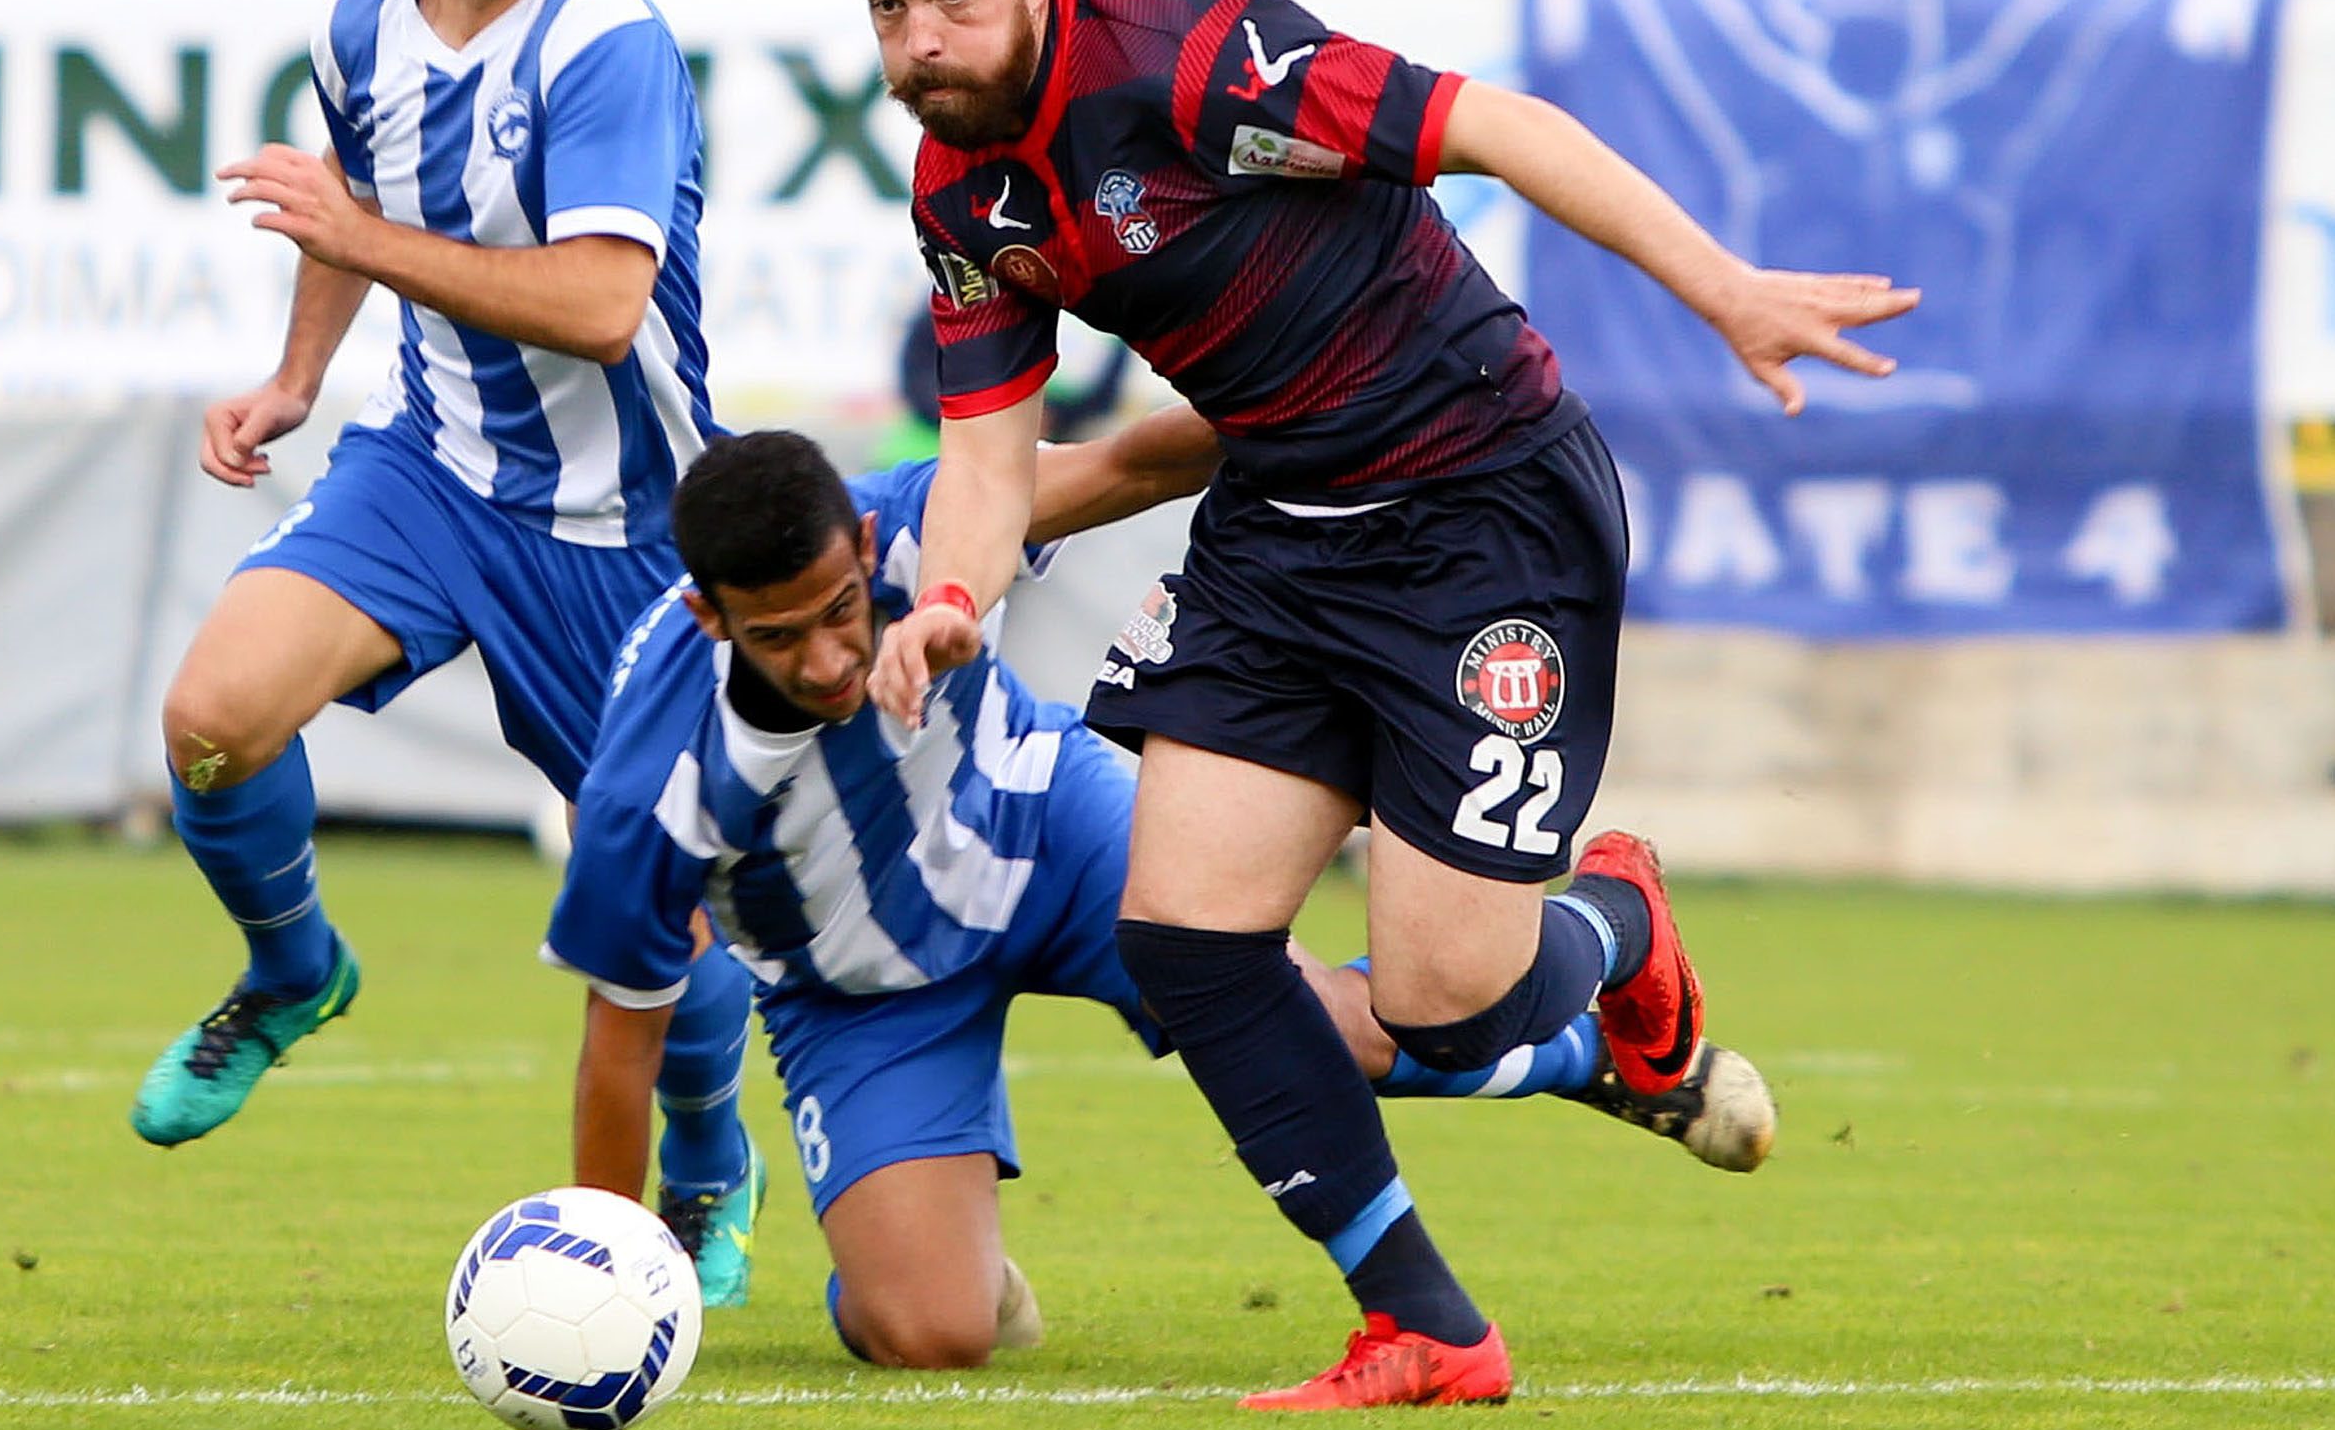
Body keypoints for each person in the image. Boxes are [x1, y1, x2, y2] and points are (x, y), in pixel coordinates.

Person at [842, 0, 1917, 1407]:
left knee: (1444, 1004)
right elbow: (991, 463)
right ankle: (1424, 1325)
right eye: (886, 6)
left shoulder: (1191, 59)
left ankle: (1616, 928)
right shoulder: (960, 196)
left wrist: (1728, 292)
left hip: (1482, 508)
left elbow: (1499, 126)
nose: (920, 40)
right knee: (1186, 942)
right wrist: (946, 596)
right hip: (1281, 533)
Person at [543, 424, 1778, 1372]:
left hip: (1056, 838)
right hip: (861, 991)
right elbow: (618, 1049)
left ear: (866, 550)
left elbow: (1135, 463)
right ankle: (913, 1252)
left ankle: (1598, 1024)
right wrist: (597, 1285)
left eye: (839, 613)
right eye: (777, 638)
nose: (827, 660)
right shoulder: (649, 790)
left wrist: (1319, 409)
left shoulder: (929, 521)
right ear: (708, 614)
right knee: (929, 1334)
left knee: (1342, 1037)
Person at [129, 0, 763, 1307]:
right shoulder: (359, 25)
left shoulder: (608, 45)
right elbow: (359, 207)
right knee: (212, 718)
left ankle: (709, 1161)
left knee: (663, 929)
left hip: (626, 538)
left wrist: (354, 236)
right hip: (429, 472)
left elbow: (602, 304)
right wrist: (294, 376)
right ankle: (293, 971)